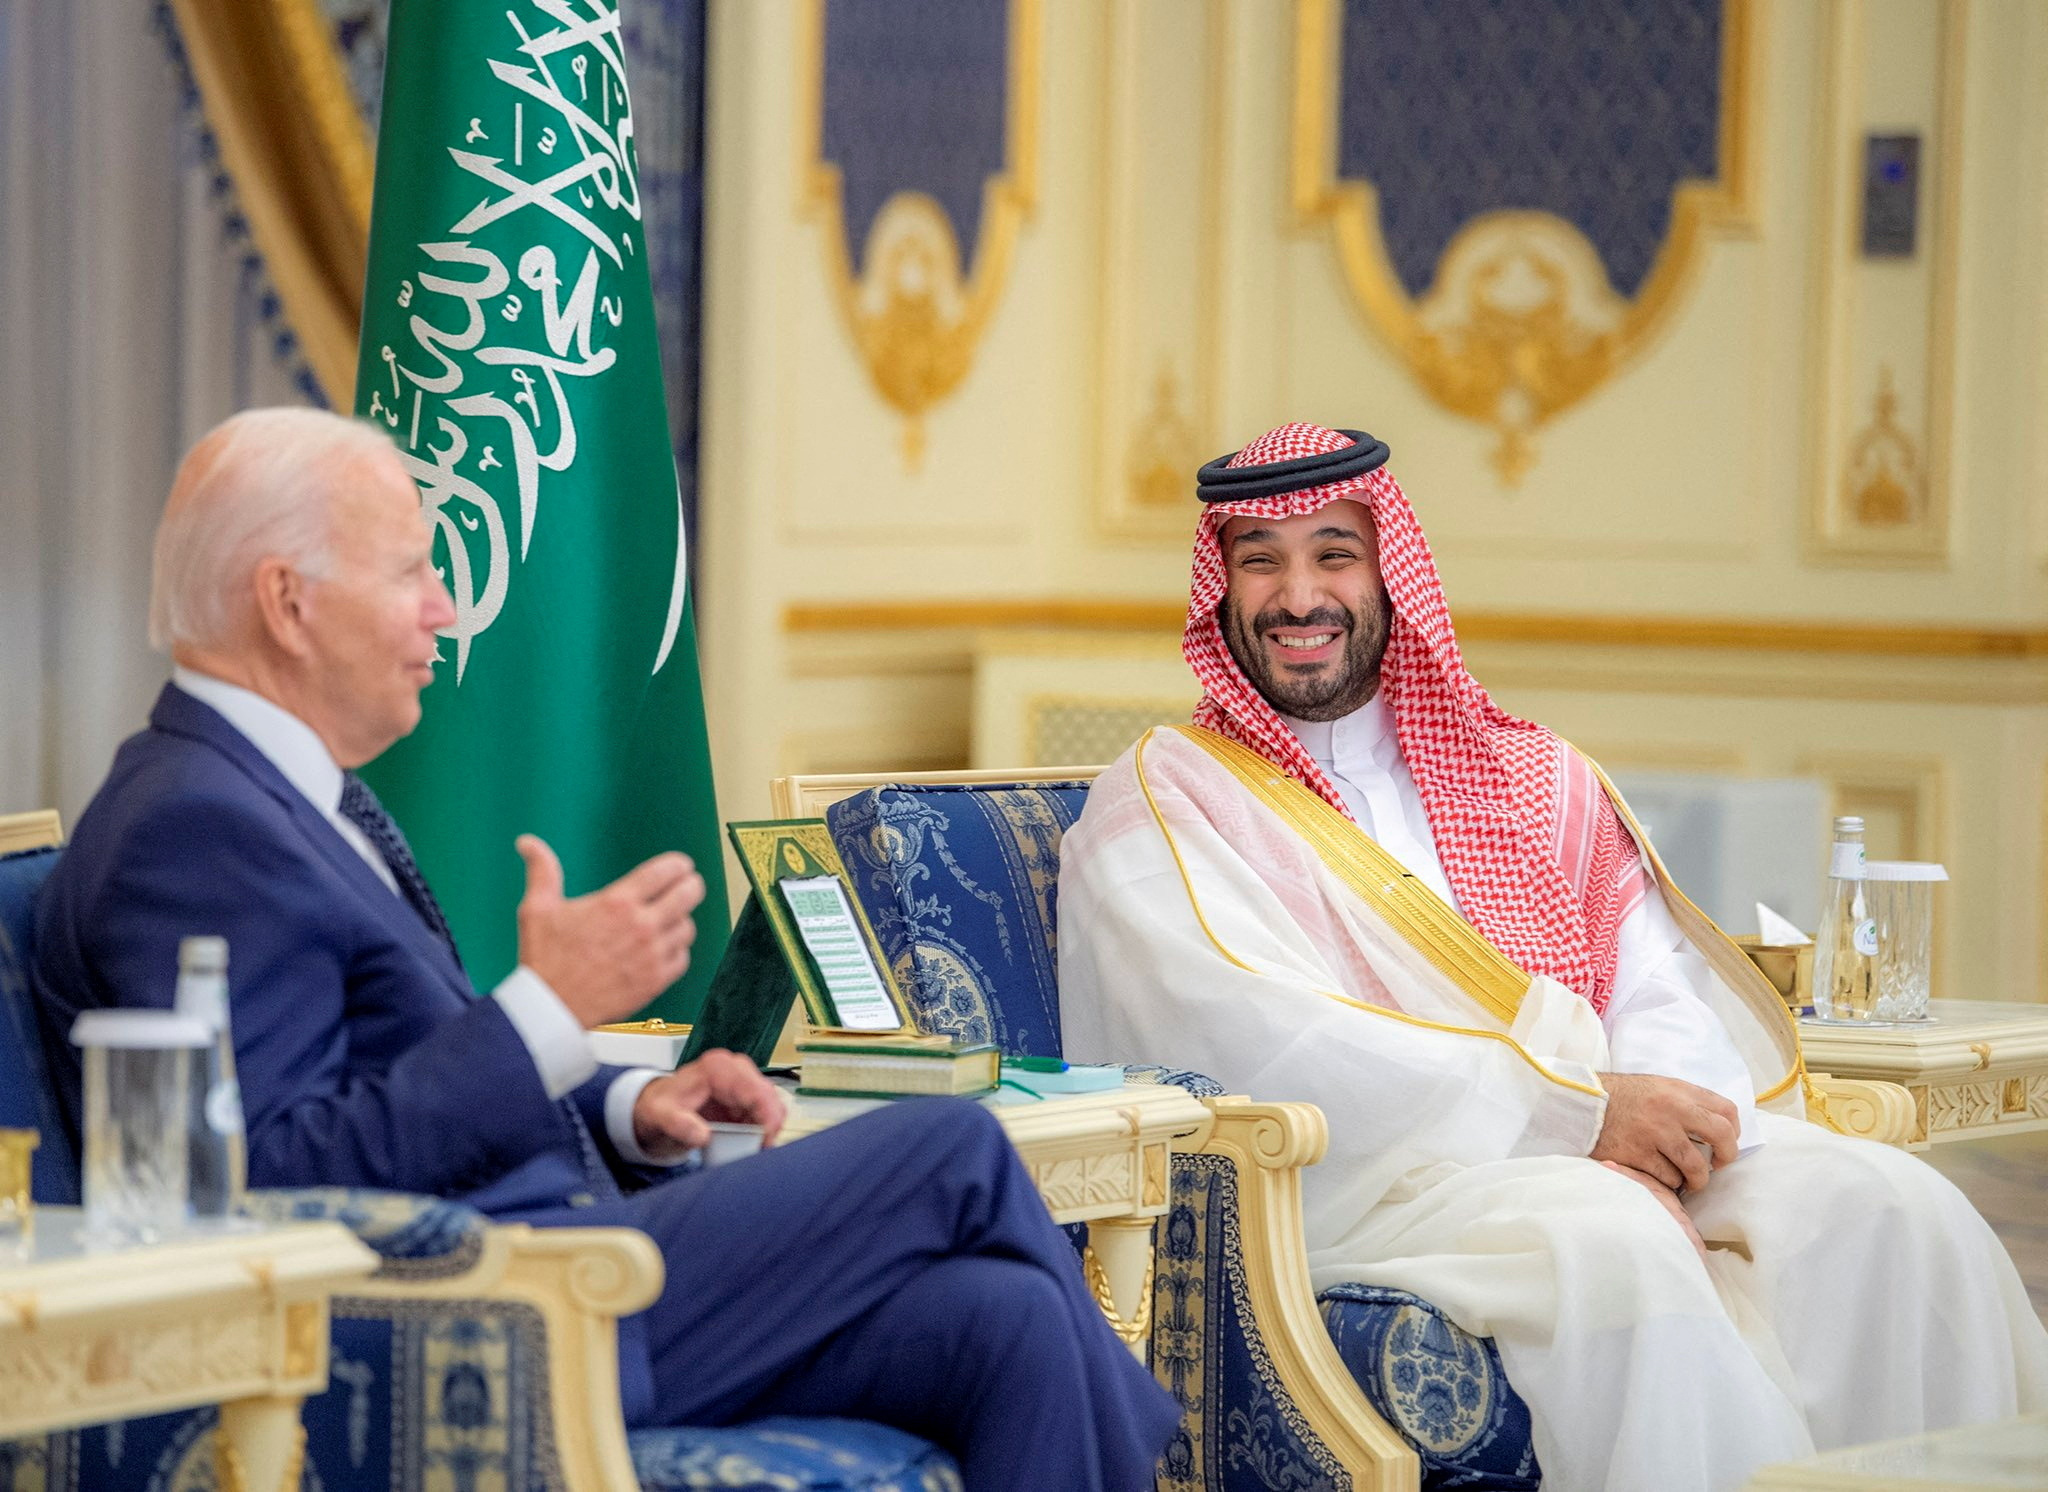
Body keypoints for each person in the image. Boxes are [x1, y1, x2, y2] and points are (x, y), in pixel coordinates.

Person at [33, 407, 1180, 1491]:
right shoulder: (193, 824)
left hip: (569, 1261)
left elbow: (392, 1080)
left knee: (1007, 1322)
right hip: (485, 1313)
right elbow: (269, 1169)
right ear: (286, 601)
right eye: (409, 573)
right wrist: (541, 1007)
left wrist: (635, 1104)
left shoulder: (282, 793)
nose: (446, 609)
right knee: (952, 1149)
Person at [1057, 421, 2048, 1491]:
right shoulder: (1170, 799)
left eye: (1333, 554)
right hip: (1365, 1182)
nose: (1298, 596)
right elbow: (1260, 1040)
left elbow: (1649, 982)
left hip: (1568, 1144)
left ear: (1390, 572)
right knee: (1611, 1243)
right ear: (1221, 589)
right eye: (1261, 561)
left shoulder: (1527, 772)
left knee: (1890, 1208)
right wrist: (1578, 1117)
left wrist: (1670, 1132)